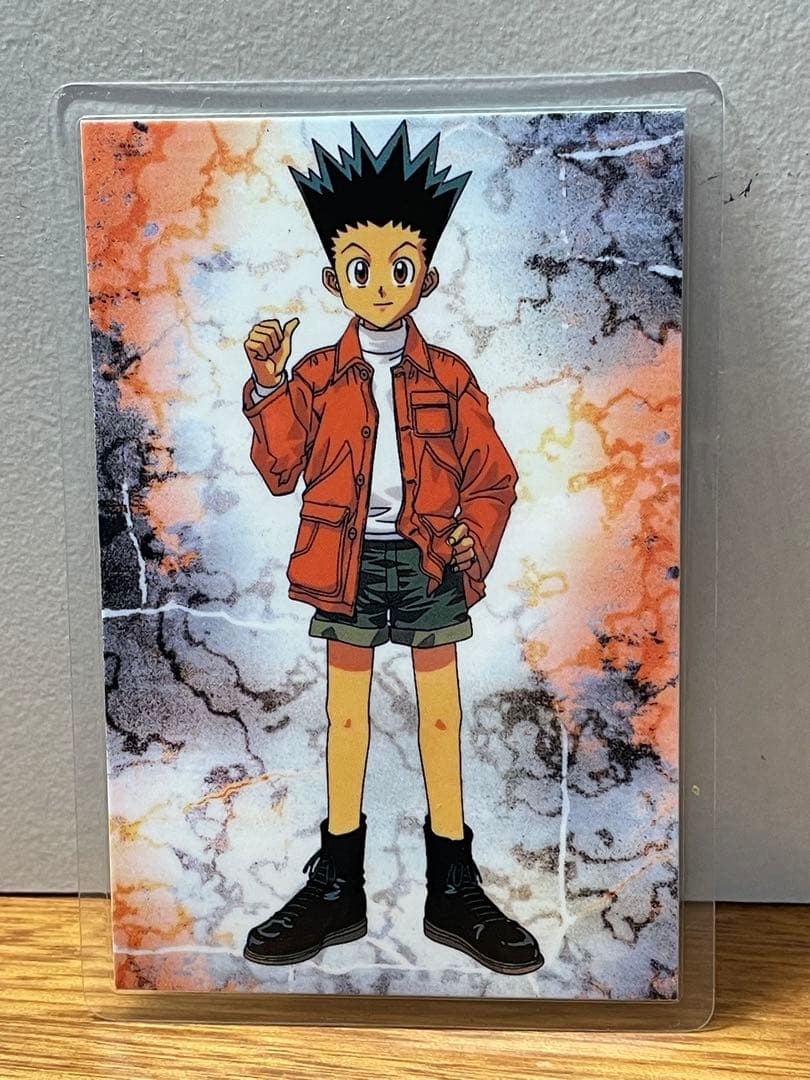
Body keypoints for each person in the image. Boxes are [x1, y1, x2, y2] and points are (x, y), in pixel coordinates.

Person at [240, 121, 543, 975]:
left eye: (399, 268)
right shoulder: (315, 375)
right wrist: (268, 383)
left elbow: (495, 477)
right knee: (347, 715)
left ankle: (453, 885)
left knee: (440, 713)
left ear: (427, 277)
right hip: (345, 565)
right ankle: (338, 885)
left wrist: (473, 536)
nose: (380, 285)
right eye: (361, 268)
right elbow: (279, 470)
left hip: (428, 562)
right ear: (333, 278)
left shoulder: (448, 375)